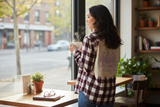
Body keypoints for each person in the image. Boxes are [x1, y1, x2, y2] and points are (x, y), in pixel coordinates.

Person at [69, 4, 122, 107]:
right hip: (108, 92)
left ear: (98, 19)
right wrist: (83, 50)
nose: (86, 20)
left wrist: (75, 51)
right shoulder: (114, 38)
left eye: (88, 17)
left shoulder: (90, 38)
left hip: (91, 91)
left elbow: (86, 66)